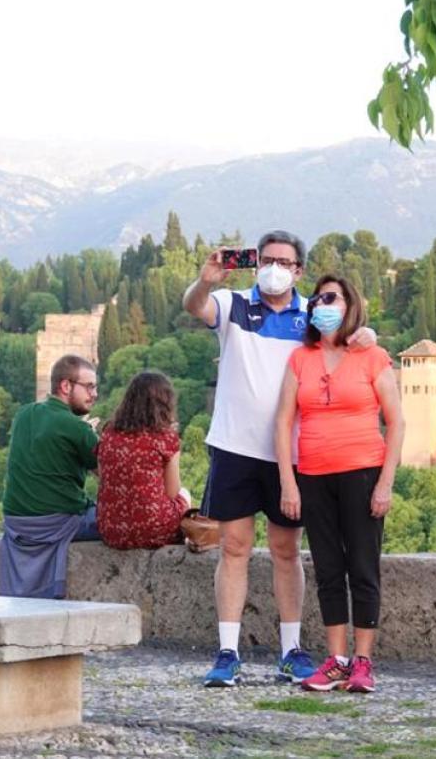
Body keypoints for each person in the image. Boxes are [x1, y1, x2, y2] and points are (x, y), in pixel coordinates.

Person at [182, 230, 377, 687]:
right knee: (233, 549)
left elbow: (346, 338)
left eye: (284, 262)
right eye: (267, 259)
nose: (274, 267)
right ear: (256, 263)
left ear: (298, 270)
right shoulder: (233, 304)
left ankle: (291, 650)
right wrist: (204, 281)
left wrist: (365, 335)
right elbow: (195, 306)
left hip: (289, 454)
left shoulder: (310, 316)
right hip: (234, 445)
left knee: (287, 551)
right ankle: (227, 651)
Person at [275, 275, 404, 693]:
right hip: (313, 475)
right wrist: (288, 484)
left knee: (363, 568)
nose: (321, 303)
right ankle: (336, 660)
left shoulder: (372, 355)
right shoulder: (301, 358)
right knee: (328, 570)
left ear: (350, 304)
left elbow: (397, 422)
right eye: (317, 298)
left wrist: (385, 483)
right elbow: (283, 422)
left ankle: (363, 662)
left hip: (362, 471)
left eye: (331, 297)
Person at [0, 355, 101, 599]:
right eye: (89, 386)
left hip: (16, 524)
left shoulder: (23, 414)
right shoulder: (78, 429)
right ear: (66, 386)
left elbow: (52, 439)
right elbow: (109, 479)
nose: (94, 394)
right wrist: (91, 437)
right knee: (121, 518)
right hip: (56, 524)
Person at [96, 371, 193, 550]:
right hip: (152, 530)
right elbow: (172, 493)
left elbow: (105, 479)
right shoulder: (166, 438)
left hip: (111, 530)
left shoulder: (108, 433)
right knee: (185, 495)